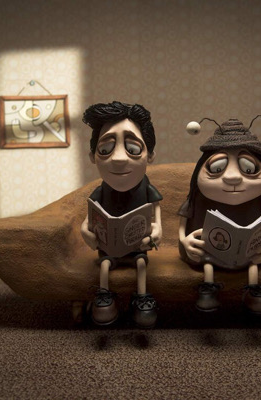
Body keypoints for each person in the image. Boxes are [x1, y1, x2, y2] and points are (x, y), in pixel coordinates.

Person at [178, 119, 261, 315]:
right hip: (208, 252)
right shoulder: (198, 198)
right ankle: (208, 289)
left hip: (250, 253)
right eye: (217, 168)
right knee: (208, 264)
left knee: (253, 265)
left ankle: (254, 291)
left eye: (248, 169)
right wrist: (185, 242)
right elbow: (183, 223)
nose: (232, 177)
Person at [80, 101, 162, 328]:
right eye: (106, 149)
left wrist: (155, 233)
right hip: (108, 249)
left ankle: (142, 297)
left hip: (138, 247)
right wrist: (86, 232)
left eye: (133, 149)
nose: (118, 158)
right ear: (93, 156)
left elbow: (157, 219)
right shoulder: (100, 192)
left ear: (150, 155)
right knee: (105, 266)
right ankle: (104, 296)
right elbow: (88, 219)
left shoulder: (147, 189)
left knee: (142, 265)